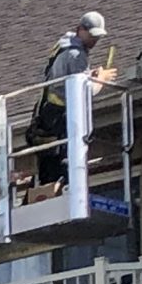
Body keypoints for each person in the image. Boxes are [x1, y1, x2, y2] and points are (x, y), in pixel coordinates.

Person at [25, 12, 107, 193]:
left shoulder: (64, 46)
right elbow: (82, 93)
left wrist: (87, 76)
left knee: (48, 162)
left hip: (46, 111)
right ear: (80, 30)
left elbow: (66, 77)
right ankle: (58, 192)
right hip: (58, 115)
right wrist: (100, 80)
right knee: (61, 160)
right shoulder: (77, 55)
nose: (95, 40)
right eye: (92, 35)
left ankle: (44, 192)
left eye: (98, 37)